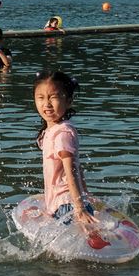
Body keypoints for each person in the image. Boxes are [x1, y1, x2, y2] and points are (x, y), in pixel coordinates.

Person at [33, 71, 95, 226]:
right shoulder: (52, 130)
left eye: (53, 97)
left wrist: (80, 207)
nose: (46, 104)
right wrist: (85, 194)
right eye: (41, 98)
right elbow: (78, 167)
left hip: (68, 206)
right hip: (62, 203)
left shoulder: (63, 133)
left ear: (68, 101)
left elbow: (71, 169)